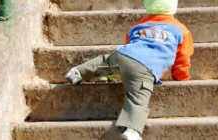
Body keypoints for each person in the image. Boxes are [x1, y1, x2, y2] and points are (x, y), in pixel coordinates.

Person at [65, 0, 194, 139]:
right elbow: (182, 58)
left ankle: (78, 72)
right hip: (144, 67)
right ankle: (132, 130)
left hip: (125, 55)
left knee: (106, 61)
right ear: (174, 6)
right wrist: (181, 77)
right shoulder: (181, 30)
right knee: (137, 98)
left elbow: (129, 43)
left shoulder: (138, 25)